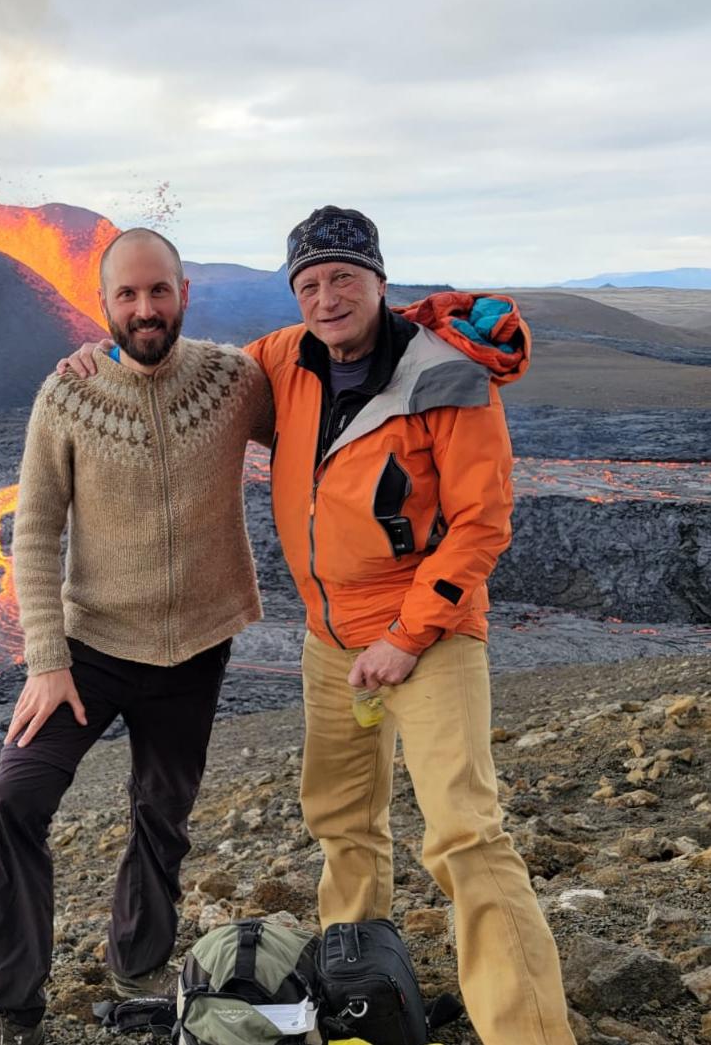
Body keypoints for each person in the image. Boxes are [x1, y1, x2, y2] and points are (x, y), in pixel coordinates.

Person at [61, 207, 576, 1045]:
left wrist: (406, 637)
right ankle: (359, 1003)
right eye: (309, 283)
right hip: (331, 644)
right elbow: (187, 368)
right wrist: (110, 354)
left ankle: (531, 1034)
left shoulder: (445, 375)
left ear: (379, 280)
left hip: (429, 640)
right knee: (343, 825)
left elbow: (482, 523)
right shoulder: (283, 361)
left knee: (464, 838)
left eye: (344, 278)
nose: (327, 297)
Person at [0, 228, 274, 1045]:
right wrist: (45, 660)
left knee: (163, 812)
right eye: (128, 294)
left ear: (184, 293)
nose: (145, 308)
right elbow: (32, 533)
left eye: (158, 290)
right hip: (90, 651)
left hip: (197, 647)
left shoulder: (234, 379)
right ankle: (10, 1006)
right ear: (102, 303)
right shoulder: (65, 396)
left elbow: (320, 421)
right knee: (16, 797)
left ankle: (136, 959)